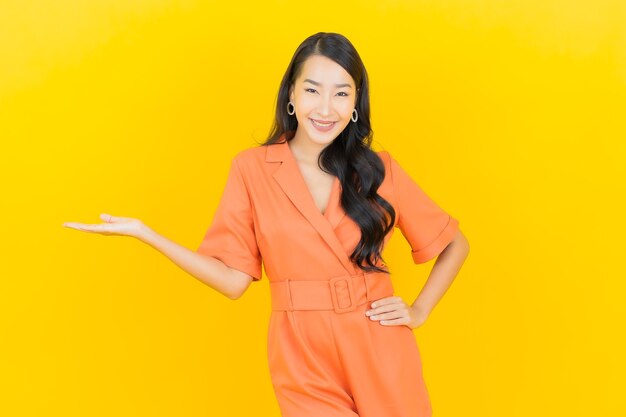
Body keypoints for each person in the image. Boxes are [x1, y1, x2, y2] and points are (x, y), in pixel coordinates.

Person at [64, 32, 470, 417]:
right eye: (312, 90)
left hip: (379, 343)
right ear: (291, 95)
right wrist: (147, 234)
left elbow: (454, 244)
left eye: (341, 93)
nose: (326, 108)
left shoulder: (379, 169)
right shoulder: (251, 169)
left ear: (356, 103)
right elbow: (233, 281)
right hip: (301, 353)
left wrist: (419, 311)